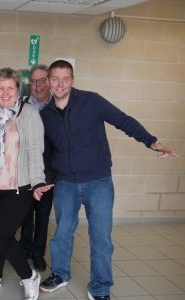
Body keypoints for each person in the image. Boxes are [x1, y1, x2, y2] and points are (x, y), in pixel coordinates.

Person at [39, 60, 177, 300]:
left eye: (65, 78)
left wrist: (151, 141)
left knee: (101, 238)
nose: (60, 84)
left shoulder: (91, 101)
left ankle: (100, 287)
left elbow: (123, 120)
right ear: (48, 81)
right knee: (62, 233)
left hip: (98, 182)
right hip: (65, 184)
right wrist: (45, 179)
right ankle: (60, 274)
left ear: (73, 80)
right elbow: (47, 151)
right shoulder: (45, 114)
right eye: (55, 79)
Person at [0, 68, 53, 300]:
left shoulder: (28, 114)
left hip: (18, 188)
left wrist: (38, 182)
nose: (5, 92)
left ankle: (29, 277)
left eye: (10, 88)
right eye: (1, 88)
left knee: (0, 235)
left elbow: (35, 151)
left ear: (18, 90)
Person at [19, 64, 54, 271]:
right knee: (24, 215)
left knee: (42, 216)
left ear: (49, 82)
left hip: (48, 173)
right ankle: (24, 250)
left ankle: (38, 253)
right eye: (34, 81)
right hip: (25, 172)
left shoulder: (57, 107)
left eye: (42, 80)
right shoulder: (22, 106)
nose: (38, 85)